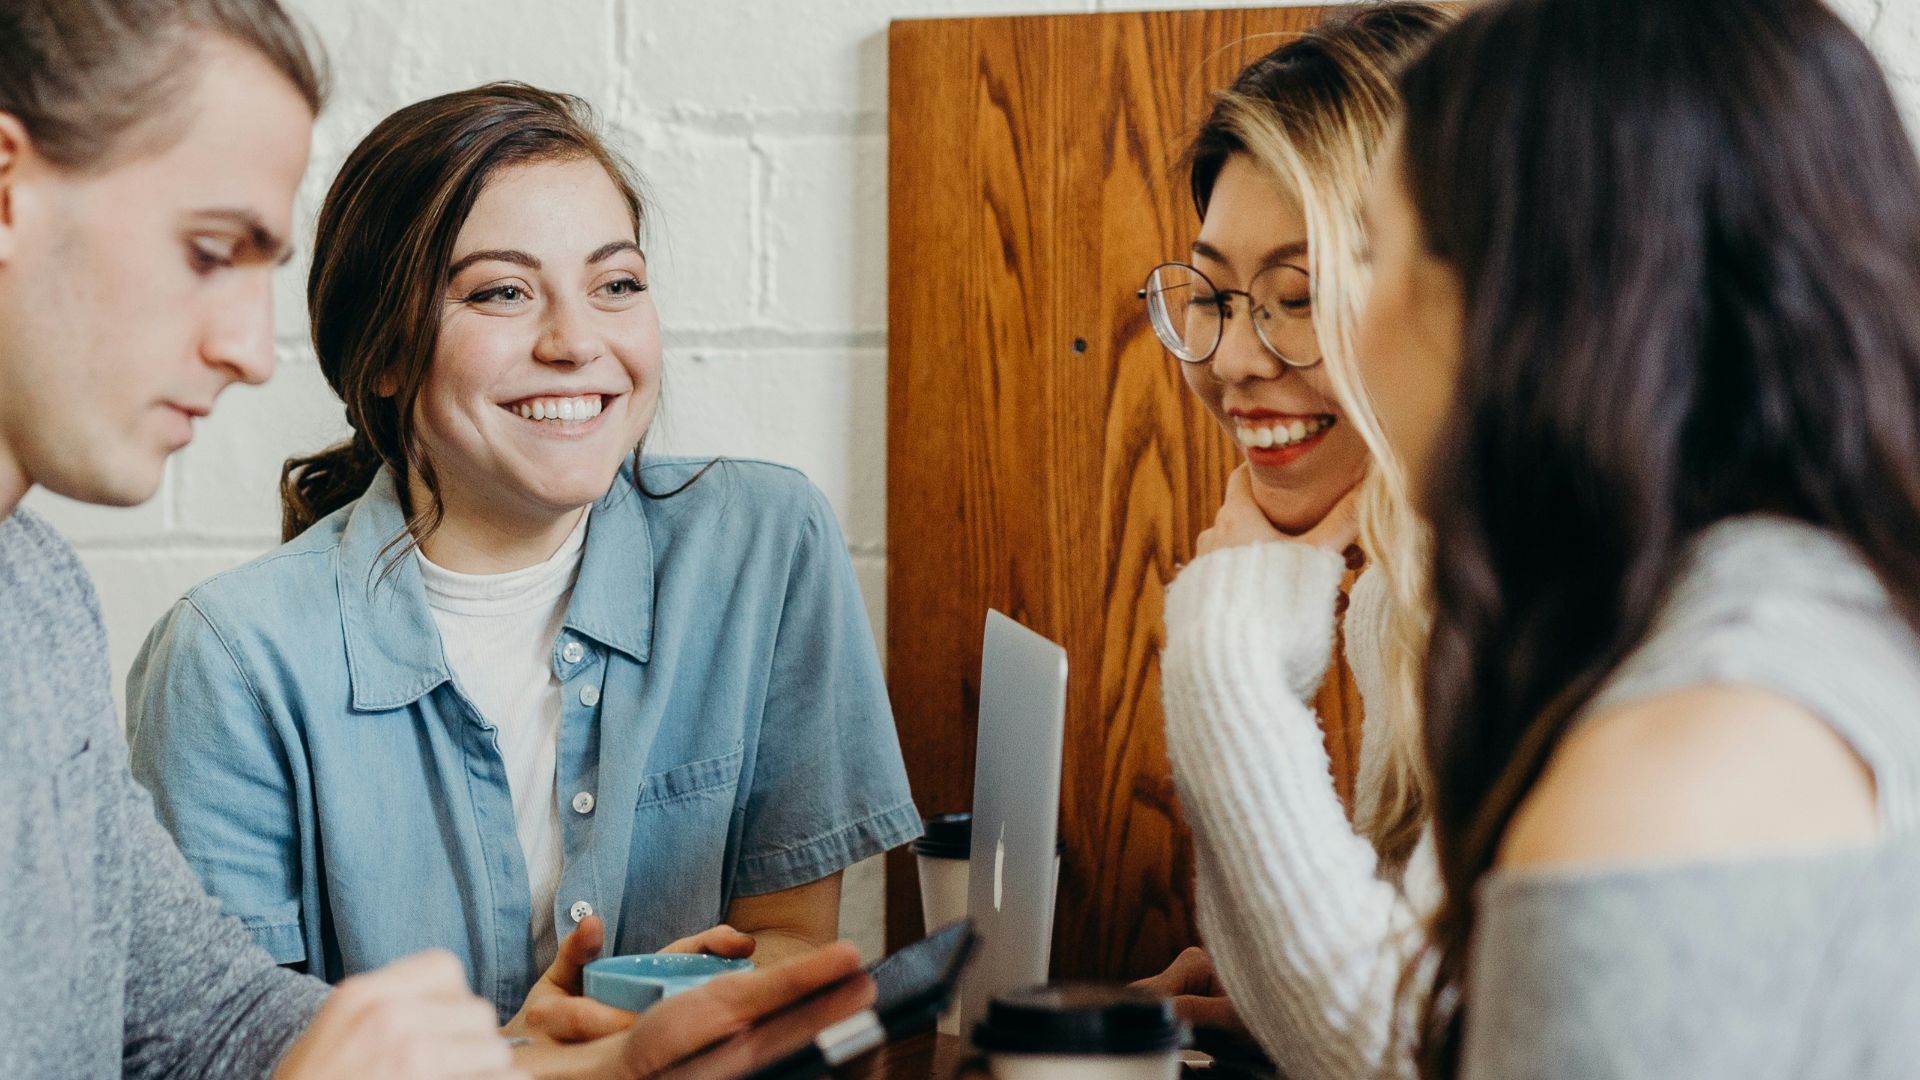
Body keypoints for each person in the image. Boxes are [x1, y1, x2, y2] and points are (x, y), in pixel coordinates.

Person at [0, 2, 875, 1077]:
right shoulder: (222, 652)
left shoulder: (33, 595)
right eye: (207, 250)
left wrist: (519, 1058)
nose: (248, 351)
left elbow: (204, 1020)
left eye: (618, 283)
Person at [1357, 0, 1920, 1075]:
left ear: (1520, 307)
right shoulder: (1840, 616)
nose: (1353, 319)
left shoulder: (1672, 782)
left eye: (1368, 248)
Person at [1129, 7, 1449, 1078]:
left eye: (1297, 298)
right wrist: (1271, 991)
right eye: (1215, 296)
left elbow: (1397, 1054)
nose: (1231, 361)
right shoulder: (1410, 588)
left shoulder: (1552, 594)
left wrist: (1225, 647)